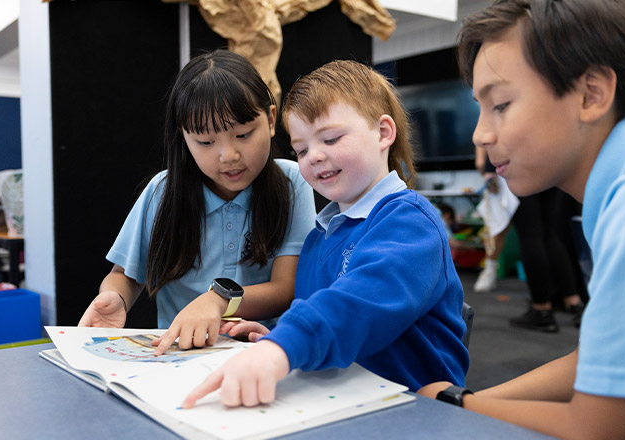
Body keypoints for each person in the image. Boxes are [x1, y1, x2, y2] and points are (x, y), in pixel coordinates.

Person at [419, 1, 625, 439]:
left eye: (501, 104)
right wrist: (468, 399)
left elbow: (601, 429)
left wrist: (460, 404)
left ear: (591, 94)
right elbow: (602, 356)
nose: (480, 135)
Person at [181, 59, 470, 409]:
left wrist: (284, 348)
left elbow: (359, 303)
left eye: (331, 139)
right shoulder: (321, 235)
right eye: (301, 150)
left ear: (383, 133)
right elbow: (320, 316)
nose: (314, 156)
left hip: (413, 409)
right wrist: (278, 337)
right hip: (341, 401)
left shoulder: (409, 222)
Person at [78, 50, 317, 356]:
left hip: (262, 351)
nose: (228, 155)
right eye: (205, 142)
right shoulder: (161, 193)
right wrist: (114, 298)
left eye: (243, 134)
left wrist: (219, 299)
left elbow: (285, 290)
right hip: (178, 353)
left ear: (271, 120)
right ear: (184, 138)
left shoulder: (293, 181)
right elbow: (124, 275)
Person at [509, 188, 586, 331]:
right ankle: (574, 303)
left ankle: (542, 309)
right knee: (550, 235)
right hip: (550, 173)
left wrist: (489, 172)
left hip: (522, 170)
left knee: (530, 235)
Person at [472, 146, 518, 292]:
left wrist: (488, 172)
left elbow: (480, 161)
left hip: (501, 174)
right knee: (498, 228)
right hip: (506, 175)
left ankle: (489, 271)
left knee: (498, 230)